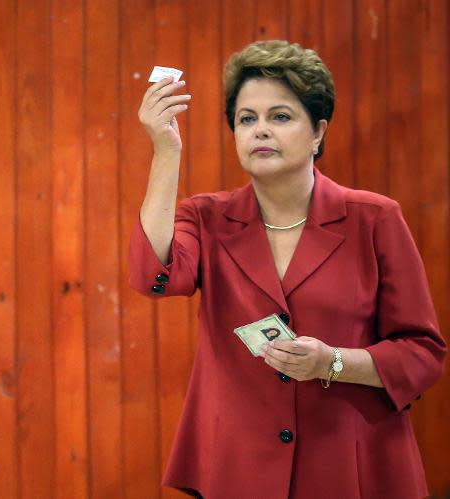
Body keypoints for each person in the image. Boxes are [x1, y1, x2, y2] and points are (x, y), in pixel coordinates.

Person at [130, 40, 446, 499]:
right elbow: (152, 278)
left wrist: (333, 363)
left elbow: (422, 354)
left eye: (279, 116)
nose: (260, 130)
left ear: (317, 132)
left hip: (352, 468)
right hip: (239, 470)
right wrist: (165, 152)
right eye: (246, 119)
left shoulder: (375, 218)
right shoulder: (206, 217)